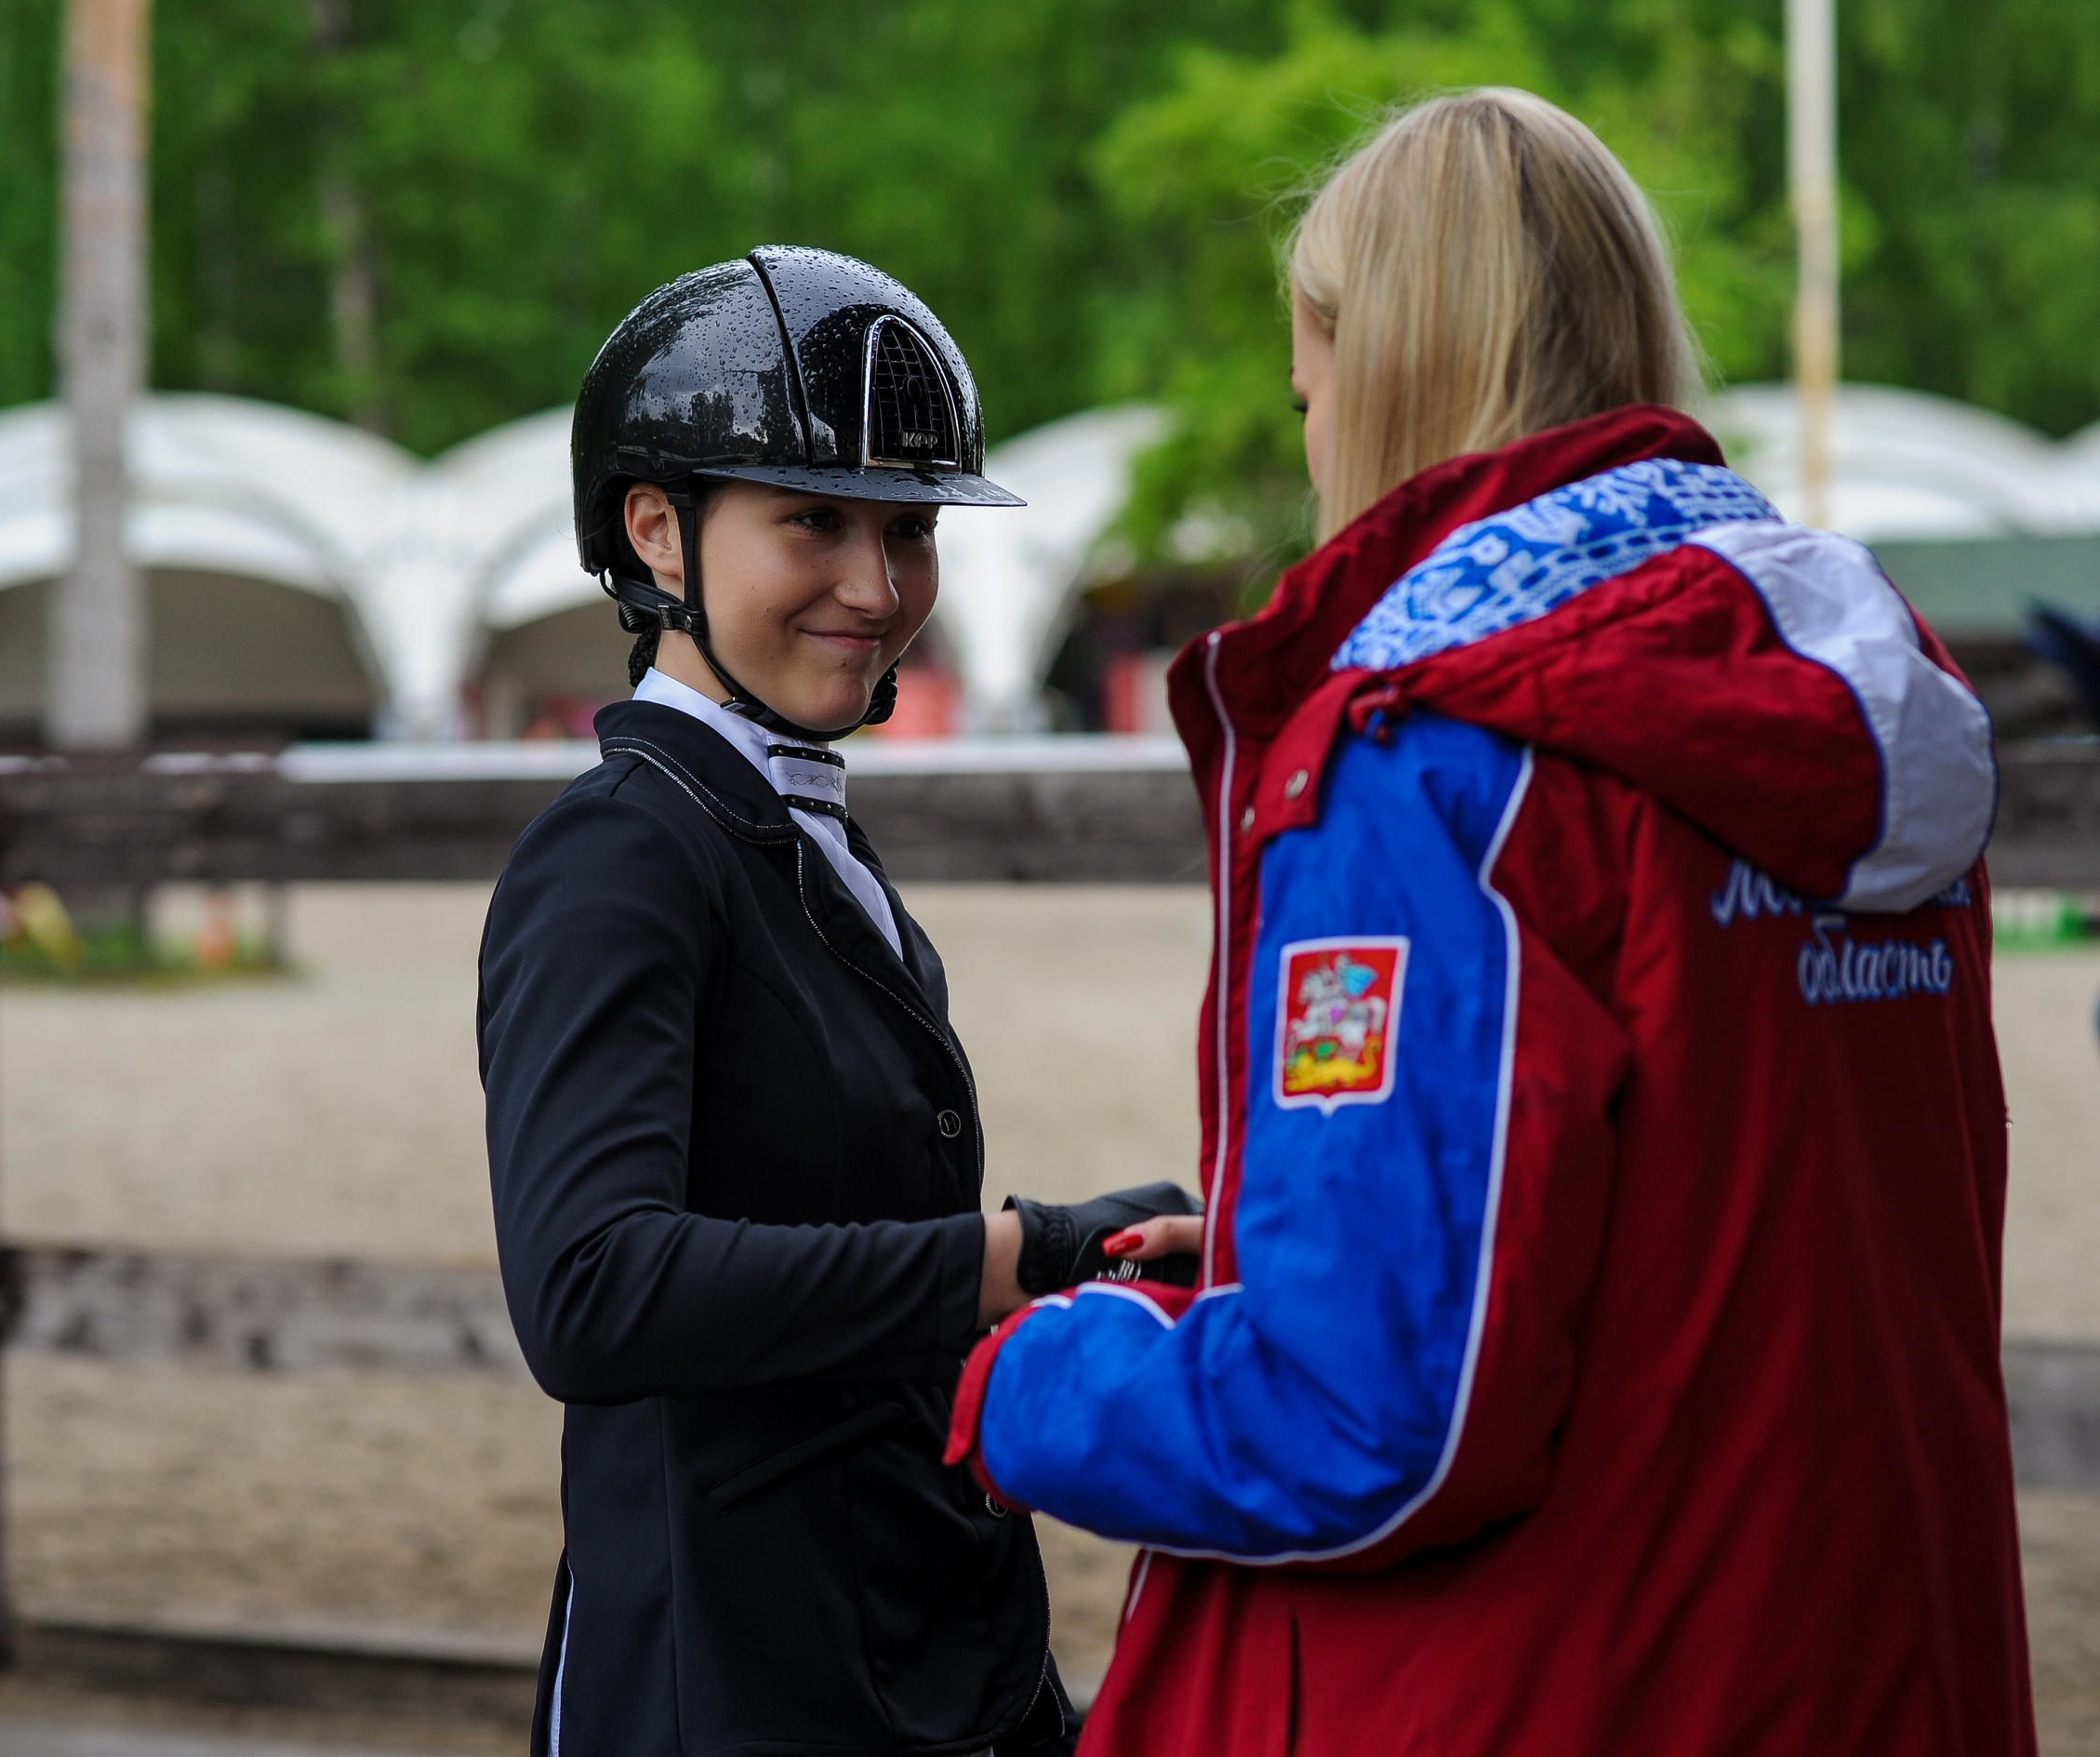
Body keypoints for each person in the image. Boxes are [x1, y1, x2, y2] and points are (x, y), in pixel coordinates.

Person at [945, 90, 2033, 1755]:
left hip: (1548, 1680)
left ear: (1375, 375)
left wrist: (1038, 1374)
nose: (1312, 442)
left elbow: (1363, 1413)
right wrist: (1267, 1248)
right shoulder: (1864, 700)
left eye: (1309, 394)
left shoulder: (1431, 748)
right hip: (1867, 1651)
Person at [478, 246, 1193, 1757]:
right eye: (814, 521)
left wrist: (1092, 1258)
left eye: (908, 530)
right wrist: (1010, 1254)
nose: (878, 589)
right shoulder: (620, 853)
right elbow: (592, 1292)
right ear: (656, 527)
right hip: (732, 1683)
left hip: (919, 1653)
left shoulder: (802, 834)